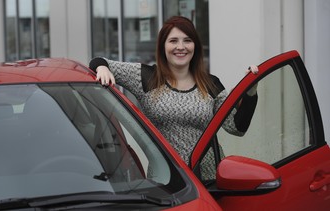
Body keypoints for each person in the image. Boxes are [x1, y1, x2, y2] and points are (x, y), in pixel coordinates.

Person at [89, 16, 258, 180]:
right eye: (173, 41)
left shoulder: (210, 83)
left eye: (187, 40)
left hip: (208, 179)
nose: (181, 46)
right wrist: (103, 68)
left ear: (195, 46)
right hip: (166, 179)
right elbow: (98, 61)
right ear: (163, 46)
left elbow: (236, 127)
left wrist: (250, 92)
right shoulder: (146, 77)